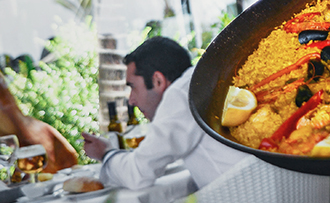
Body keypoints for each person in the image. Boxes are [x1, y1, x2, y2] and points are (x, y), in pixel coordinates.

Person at [82, 36, 246, 190]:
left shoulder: (180, 95)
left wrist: (105, 153)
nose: (131, 100)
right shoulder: (203, 78)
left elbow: (138, 173)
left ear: (158, 81)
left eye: (132, 87)